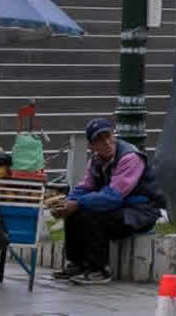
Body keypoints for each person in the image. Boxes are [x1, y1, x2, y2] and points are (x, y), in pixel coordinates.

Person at [47, 117, 163, 286]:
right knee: (74, 211)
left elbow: (112, 197)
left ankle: (99, 269)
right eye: (100, 140)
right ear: (92, 146)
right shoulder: (95, 160)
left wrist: (78, 203)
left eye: (108, 136)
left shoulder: (130, 158)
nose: (107, 142)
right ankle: (78, 264)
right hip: (120, 210)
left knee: (90, 210)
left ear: (113, 135)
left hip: (140, 213)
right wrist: (67, 203)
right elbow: (84, 186)